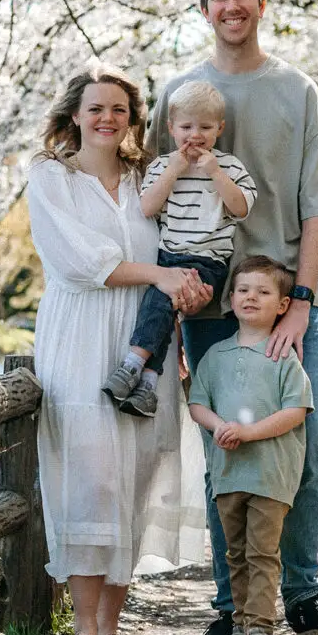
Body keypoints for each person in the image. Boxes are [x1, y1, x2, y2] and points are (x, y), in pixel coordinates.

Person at [147, 0, 318, 635]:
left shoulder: (297, 92)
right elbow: (149, 200)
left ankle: (301, 594)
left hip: (284, 301)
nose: (231, 8)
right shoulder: (178, 93)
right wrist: (167, 306)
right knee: (225, 454)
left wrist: (302, 299)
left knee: (303, 444)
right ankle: (233, 610)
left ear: (262, 3)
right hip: (206, 305)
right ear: (203, 8)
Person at [25, 60, 212, 635]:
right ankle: (81, 628)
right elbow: (81, 260)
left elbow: (183, 240)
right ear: (74, 115)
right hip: (81, 330)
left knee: (134, 475)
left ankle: (112, 629)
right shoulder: (52, 178)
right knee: (90, 473)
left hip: (147, 334)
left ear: (133, 120)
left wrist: (187, 287)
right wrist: (162, 273)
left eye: (119, 110)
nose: (107, 119)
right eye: (96, 108)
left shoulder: (146, 179)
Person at [101, 79, 256, 418]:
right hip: (169, 254)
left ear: (220, 128)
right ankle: (148, 384)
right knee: (161, 311)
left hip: (208, 260)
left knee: (160, 302)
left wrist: (214, 172)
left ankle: (133, 363)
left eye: (205, 127)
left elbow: (241, 208)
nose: (195, 135)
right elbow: (147, 208)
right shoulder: (162, 166)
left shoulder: (229, 166)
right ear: (171, 127)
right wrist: (174, 170)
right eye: (186, 126)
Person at [188, 256, 313, 635]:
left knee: (262, 552)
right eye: (243, 290)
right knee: (235, 555)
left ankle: (261, 632)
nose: (250, 297)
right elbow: (197, 403)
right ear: (231, 298)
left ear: (282, 305)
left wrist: (248, 433)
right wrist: (220, 426)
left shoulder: (283, 356)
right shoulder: (216, 356)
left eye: (262, 292)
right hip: (228, 475)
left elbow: (296, 410)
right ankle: (239, 628)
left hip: (269, 473)